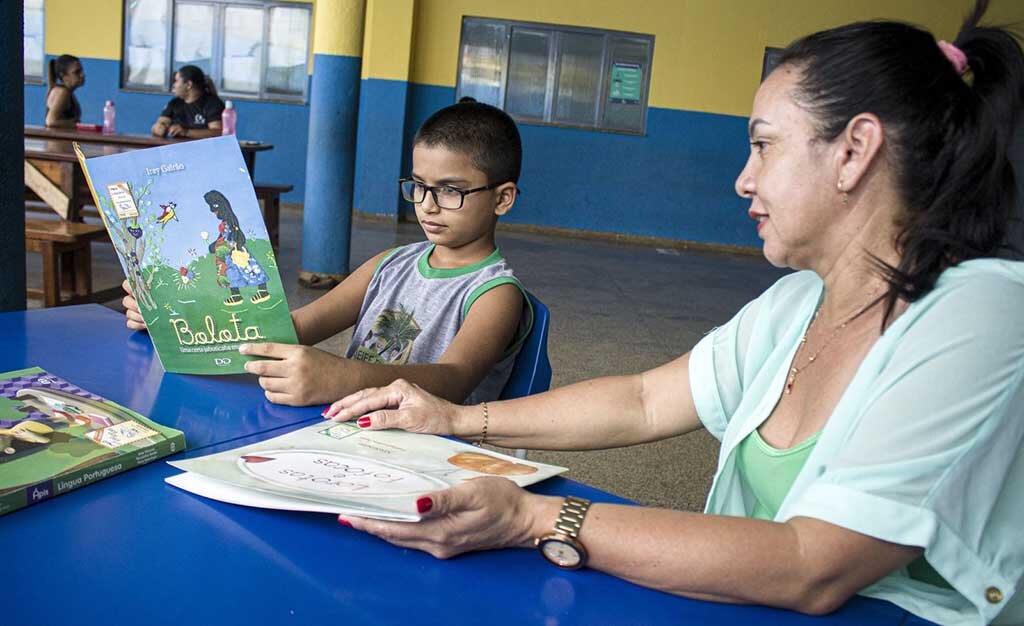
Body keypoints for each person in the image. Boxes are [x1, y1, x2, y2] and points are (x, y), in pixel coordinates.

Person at [322, 3, 1024, 624]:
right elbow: (643, 400)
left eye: (762, 144)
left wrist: (536, 517)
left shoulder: (982, 313)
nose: (744, 178)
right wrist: (448, 417)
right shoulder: (797, 303)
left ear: (854, 150)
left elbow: (815, 565)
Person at [124, 100, 532, 408]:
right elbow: (295, 327)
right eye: (419, 185)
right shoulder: (391, 264)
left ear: (503, 198)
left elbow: (453, 380)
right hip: (349, 433)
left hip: (423, 457)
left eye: (450, 190)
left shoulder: (495, 293)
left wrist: (342, 377)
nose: (426, 205)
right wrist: (178, 320)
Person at [151, 65, 225, 138]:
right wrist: (158, 128)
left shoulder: (213, 104)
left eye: (176, 81)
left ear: (189, 85)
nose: (173, 85)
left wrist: (186, 132)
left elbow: (218, 132)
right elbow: (161, 122)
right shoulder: (175, 103)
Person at [44, 54, 84, 128]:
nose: (82, 75)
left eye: (82, 70)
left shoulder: (67, 92)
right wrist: (77, 126)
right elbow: (50, 121)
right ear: (63, 76)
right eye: (77, 72)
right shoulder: (62, 93)